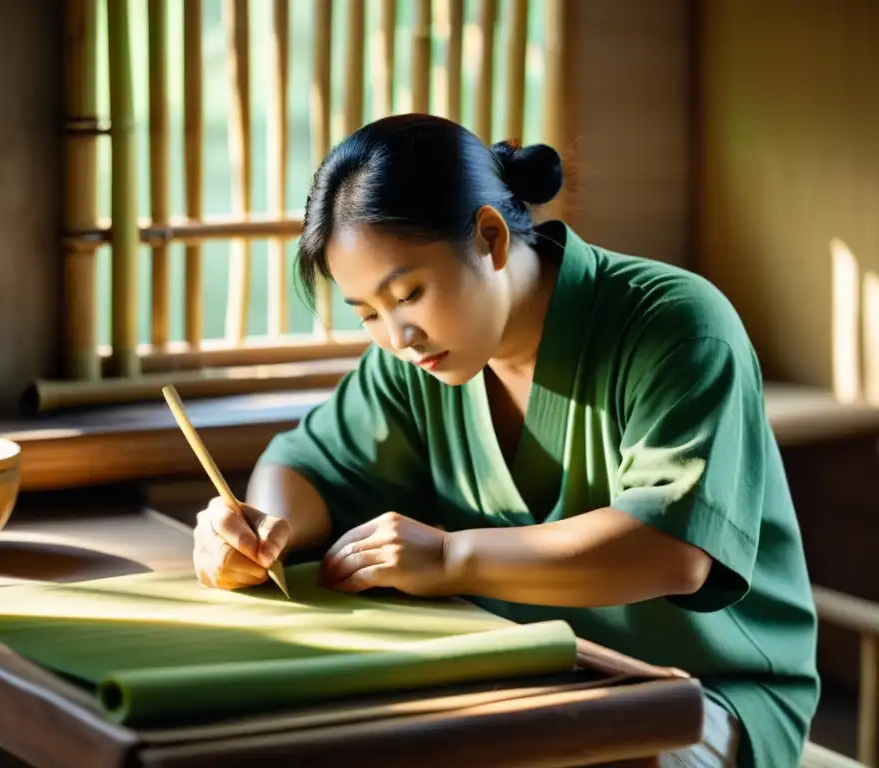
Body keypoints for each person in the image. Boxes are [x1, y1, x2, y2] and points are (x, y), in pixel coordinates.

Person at [190, 113, 820, 767]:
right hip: (511, 667)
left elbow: (671, 550)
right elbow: (306, 465)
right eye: (368, 313)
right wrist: (262, 530)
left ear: (489, 237)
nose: (396, 336)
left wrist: (449, 558)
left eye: (409, 293)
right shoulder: (413, 365)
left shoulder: (674, 325)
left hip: (701, 687)